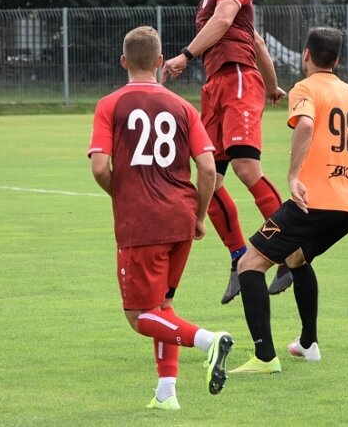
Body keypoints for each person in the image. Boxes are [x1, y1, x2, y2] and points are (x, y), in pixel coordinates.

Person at [88, 26, 233, 410]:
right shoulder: (183, 107)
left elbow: (100, 167)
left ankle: (208, 340)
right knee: (162, 306)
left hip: (142, 223)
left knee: (139, 316)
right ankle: (167, 392)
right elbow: (207, 169)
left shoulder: (110, 104)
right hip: (181, 219)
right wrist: (199, 215)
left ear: (123, 62)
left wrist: (121, 193)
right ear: (158, 61)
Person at [227, 27, 348, 373]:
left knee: (249, 265)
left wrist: (294, 176)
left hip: (314, 200)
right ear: (337, 60)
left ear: (306, 54)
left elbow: (305, 125)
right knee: (295, 257)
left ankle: (264, 358)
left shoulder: (305, 88)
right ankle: (308, 344)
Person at [161, 0, 292, 304]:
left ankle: (286, 246)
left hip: (236, 79)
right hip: (216, 87)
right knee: (209, 179)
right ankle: (238, 257)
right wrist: (272, 85)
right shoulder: (205, 0)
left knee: (247, 168)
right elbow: (257, 40)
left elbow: (225, 23)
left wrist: (185, 55)